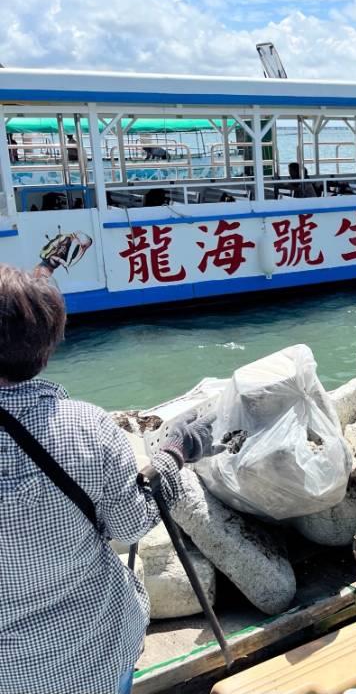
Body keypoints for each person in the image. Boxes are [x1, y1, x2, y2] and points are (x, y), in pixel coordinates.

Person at [0, 265, 217, 694]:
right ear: (46, 346)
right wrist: (175, 453)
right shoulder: (86, 428)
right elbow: (130, 524)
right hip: (94, 651)